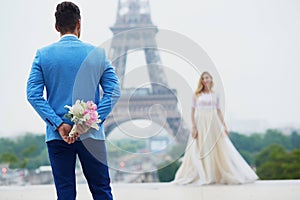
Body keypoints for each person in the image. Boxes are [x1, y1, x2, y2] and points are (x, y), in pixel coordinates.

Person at [26, 2, 121, 199]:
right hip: (92, 136)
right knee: (102, 190)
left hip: (58, 136)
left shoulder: (43, 55)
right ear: (79, 24)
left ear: (56, 26)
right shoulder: (98, 54)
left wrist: (58, 123)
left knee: (65, 192)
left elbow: (33, 94)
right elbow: (113, 91)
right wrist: (90, 121)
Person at [172, 71, 258, 185]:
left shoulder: (215, 94)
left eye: (208, 78)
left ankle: (214, 174)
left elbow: (219, 111)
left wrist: (224, 126)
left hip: (213, 123)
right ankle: (205, 174)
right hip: (201, 122)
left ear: (211, 80)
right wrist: (193, 127)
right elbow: (192, 112)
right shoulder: (196, 95)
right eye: (204, 78)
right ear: (201, 81)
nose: (206, 80)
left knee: (216, 147)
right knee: (202, 147)